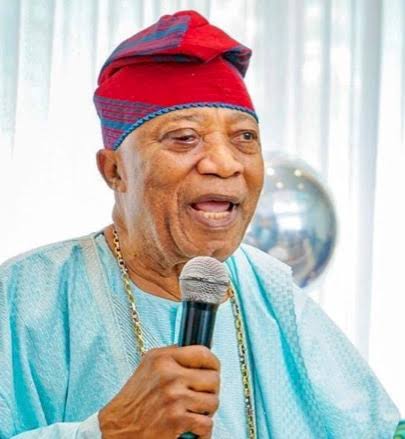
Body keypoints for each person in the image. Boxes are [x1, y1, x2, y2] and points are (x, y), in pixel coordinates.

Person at [0, 10, 402, 439]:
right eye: (185, 137)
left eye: (245, 138)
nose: (225, 164)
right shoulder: (28, 295)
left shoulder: (270, 291)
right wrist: (108, 431)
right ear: (115, 170)